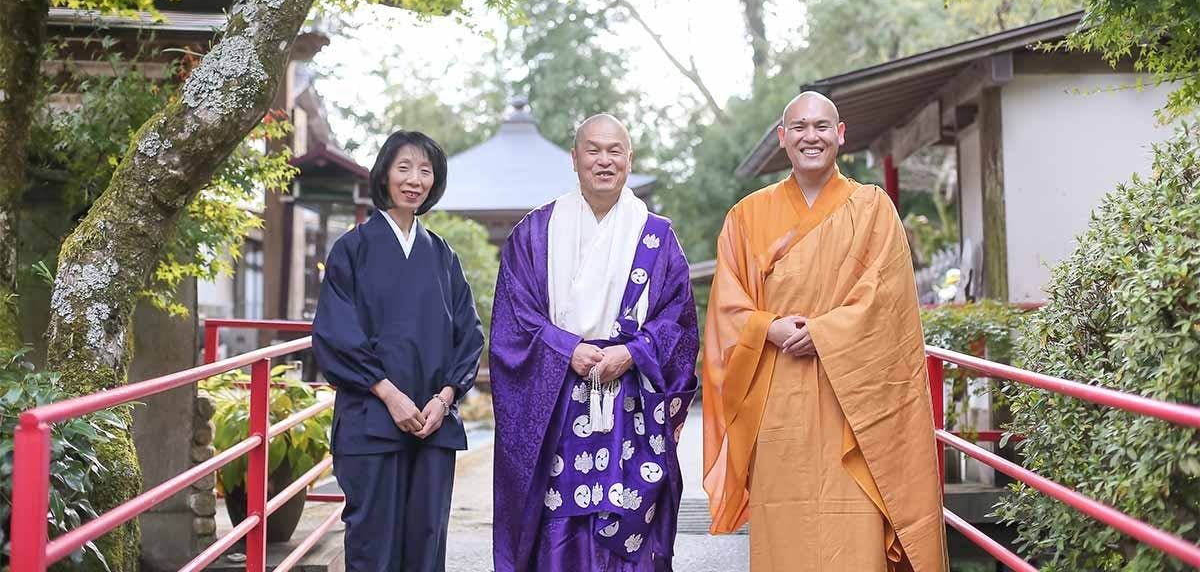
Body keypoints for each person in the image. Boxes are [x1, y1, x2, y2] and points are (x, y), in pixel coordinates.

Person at [701, 92, 948, 572]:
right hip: (777, 401)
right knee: (785, 525)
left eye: (820, 126)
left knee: (854, 526)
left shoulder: (873, 208)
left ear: (840, 135)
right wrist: (768, 327)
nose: (809, 136)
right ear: (782, 138)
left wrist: (826, 331)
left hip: (852, 401)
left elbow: (888, 300)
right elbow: (726, 308)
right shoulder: (746, 216)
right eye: (798, 127)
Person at [490, 114, 699, 572]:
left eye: (615, 151)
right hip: (559, 398)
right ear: (574, 158)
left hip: (631, 400)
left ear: (629, 158)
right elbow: (515, 317)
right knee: (558, 517)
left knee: (629, 514)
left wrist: (634, 352)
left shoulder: (657, 236)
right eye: (593, 150)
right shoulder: (535, 232)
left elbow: (678, 319)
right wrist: (566, 349)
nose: (604, 161)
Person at [311, 130, 485, 572]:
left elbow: (469, 335)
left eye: (425, 170)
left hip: (433, 423)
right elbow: (335, 335)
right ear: (384, 174)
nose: (415, 179)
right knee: (373, 546)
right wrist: (390, 394)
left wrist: (444, 399)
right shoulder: (352, 249)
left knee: (427, 544)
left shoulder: (443, 256)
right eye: (404, 167)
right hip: (371, 422)